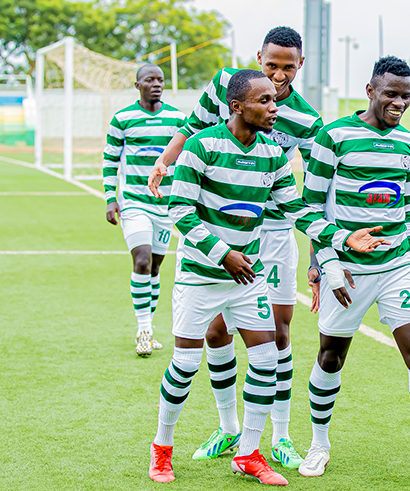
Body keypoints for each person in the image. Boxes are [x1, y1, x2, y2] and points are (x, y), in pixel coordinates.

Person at [147, 69, 387, 485]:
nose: (275, 108)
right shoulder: (202, 146)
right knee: (185, 363)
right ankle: (162, 448)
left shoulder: (274, 156)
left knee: (266, 359)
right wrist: (223, 255)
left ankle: (249, 453)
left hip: (248, 278)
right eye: (265, 101)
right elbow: (179, 210)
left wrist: (344, 236)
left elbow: (300, 211)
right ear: (237, 106)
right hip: (201, 276)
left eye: (275, 101)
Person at [148, 27, 323, 467]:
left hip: (272, 236)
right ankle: (218, 432)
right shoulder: (224, 96)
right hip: (210, 250)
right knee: (204, 345)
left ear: (300, 65)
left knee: (275, 342)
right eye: (270, 68)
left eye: (287, 68)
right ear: (257, 60)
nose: (277, 85)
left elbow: (307, 197)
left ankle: (269, 441)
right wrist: (165, 161)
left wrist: (330, 248)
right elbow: (189, 137)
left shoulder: (299, 126)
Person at [298, 56, 410, 488]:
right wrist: (326, 259)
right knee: (331, 356)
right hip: (347, 270)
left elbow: (405, 209)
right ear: (370, 91)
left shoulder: (409, 143)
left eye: (406, 95)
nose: (399, 102)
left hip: (395, 267)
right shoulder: (333, 136)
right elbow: (308, 207)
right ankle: (319, 444)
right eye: (391, 93)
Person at [102, 64, 186, 357]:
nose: (156, 84)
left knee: (154, 268)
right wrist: (109, 197)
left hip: (166, 204)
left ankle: (148, 327)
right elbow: (110, 160)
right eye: (149, 79)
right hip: (134, 202)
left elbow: (187, 159)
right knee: (141, 260)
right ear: (137, 85)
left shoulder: (178, 119)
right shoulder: (122, 119)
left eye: (160, 79)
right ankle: (144, 330)